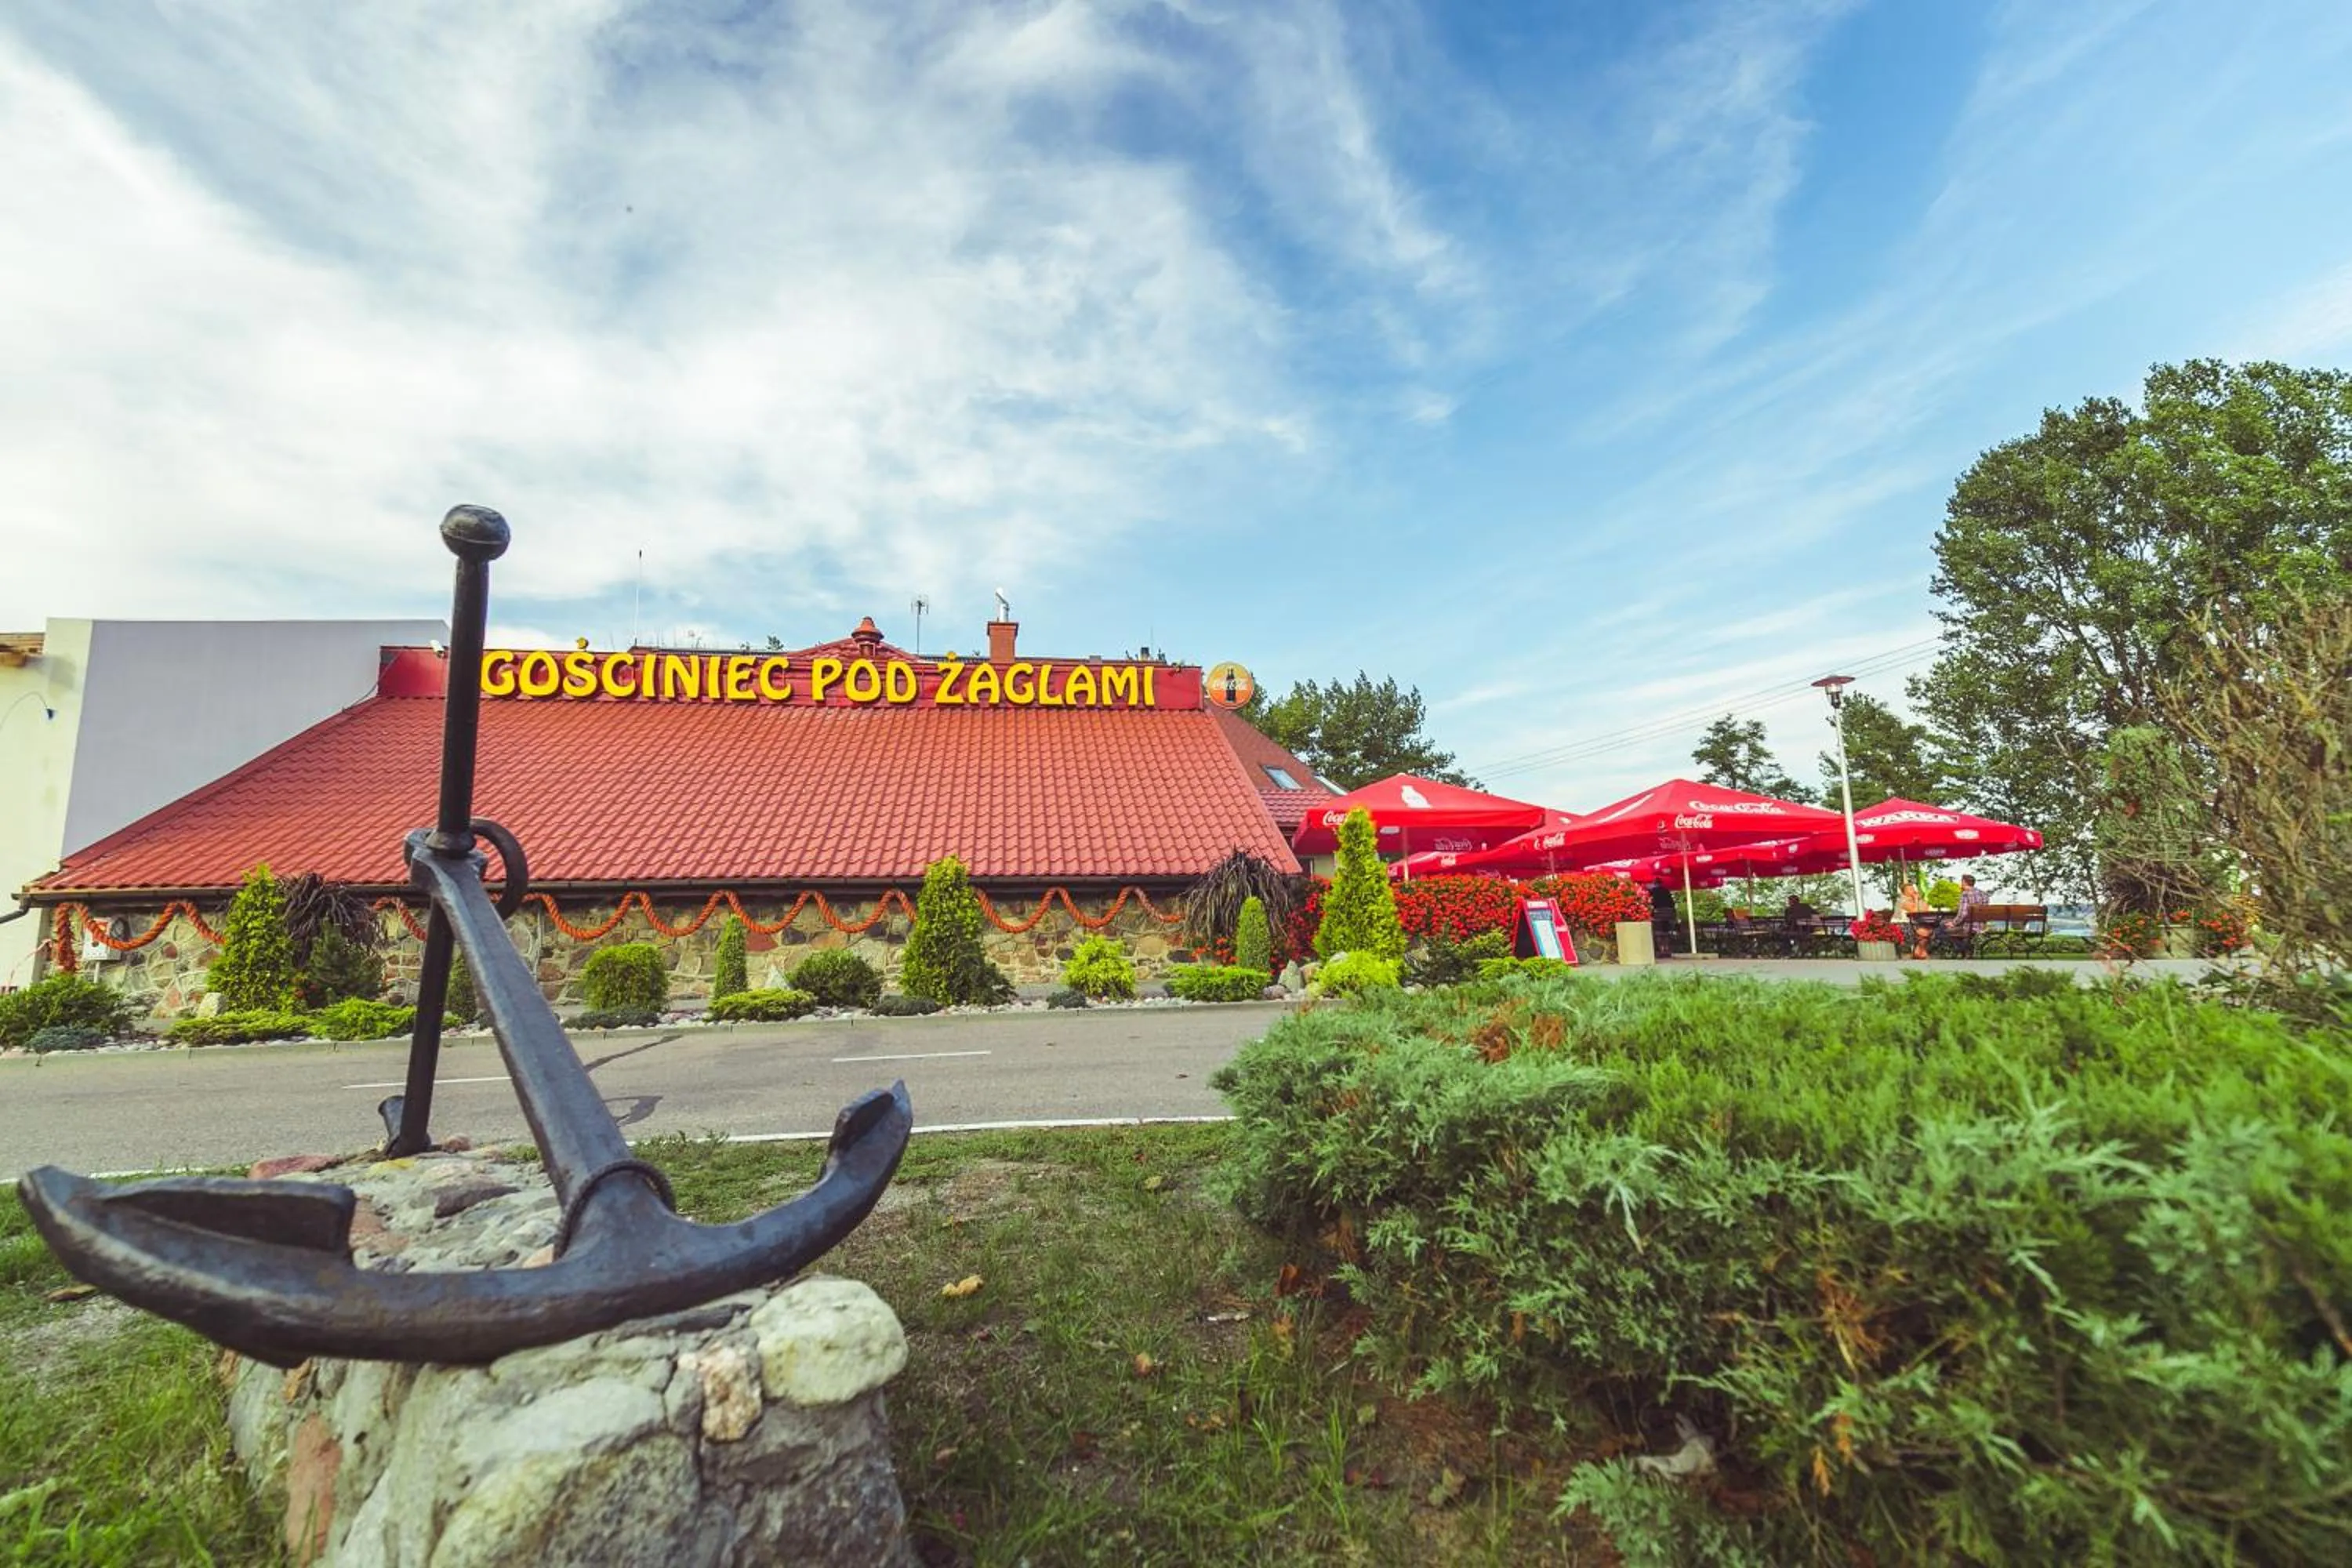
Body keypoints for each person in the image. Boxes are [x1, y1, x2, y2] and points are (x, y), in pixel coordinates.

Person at [1896, 878, 1931, 958]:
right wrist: (1916, 900)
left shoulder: (1916, 900)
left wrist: (1920, 900)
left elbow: (1926, 909)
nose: (1913, 891)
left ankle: (1919, 951)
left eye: (1913, 889)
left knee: (1928, 930)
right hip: (1902, 924)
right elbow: (1914, 912)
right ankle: (1919, 951)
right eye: (1910, 889)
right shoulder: (1902, 901)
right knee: (1922, 931)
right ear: (1904, 892)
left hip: (1914, 923)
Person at [1650, 879, 1677, 960]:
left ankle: (1661, 949)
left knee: (1658, 932)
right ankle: (1667, 949)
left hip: (1658, 913)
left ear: (1654, 884)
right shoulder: (1667, 891)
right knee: (1667, 932)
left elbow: (1651, 902)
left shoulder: (1653, 891)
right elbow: (1672, 903)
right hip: (1669, 913)